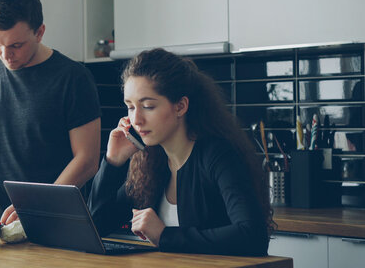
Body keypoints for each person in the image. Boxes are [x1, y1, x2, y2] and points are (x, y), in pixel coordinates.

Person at [88, 48, 273, 256]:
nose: (136, 119)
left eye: (148, 106)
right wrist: (112, 162)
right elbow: (94, 227)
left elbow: (253, 236)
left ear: (180, 106)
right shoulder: (150, 162)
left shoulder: (218, 155)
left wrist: (165, 235)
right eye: (130, 107)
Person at [0, 0, 101, 224]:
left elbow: (87, 160)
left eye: (16, 45)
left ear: (40, 32)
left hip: (56, 222)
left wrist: (37, 205)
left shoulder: (73, 78)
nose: (5, 55)